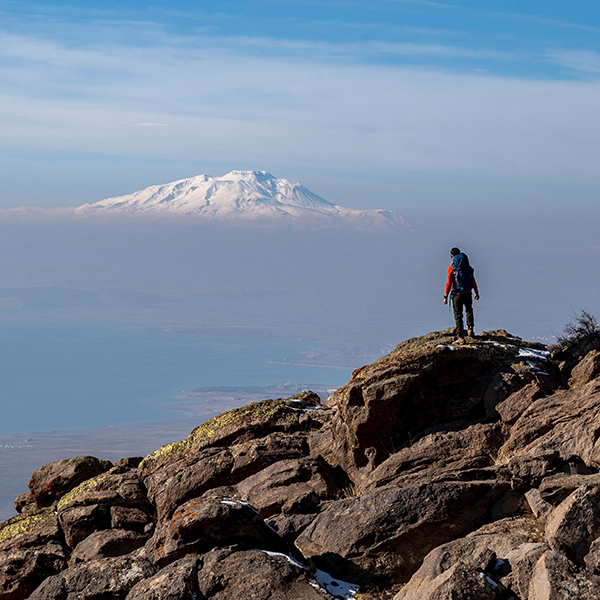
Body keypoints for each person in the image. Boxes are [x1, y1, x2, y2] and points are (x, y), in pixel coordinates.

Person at [443, 247, 480, 341]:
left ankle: (460, 335)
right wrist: (476, 292)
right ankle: (470, 329)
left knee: (458, 314)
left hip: (457, 294)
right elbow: (473, 280)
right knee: (469, 310)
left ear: (451, 256)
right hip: (468, 293)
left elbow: (448, 283)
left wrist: (445, 296)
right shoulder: (468, 267)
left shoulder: (451, 268)